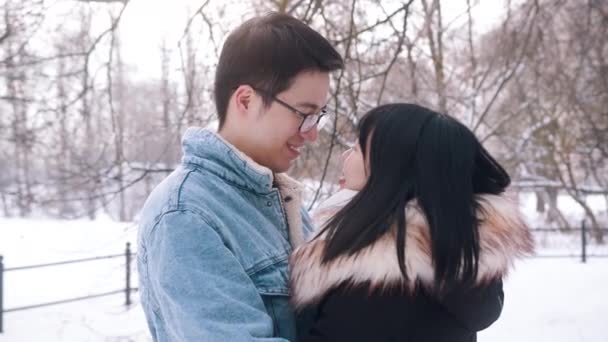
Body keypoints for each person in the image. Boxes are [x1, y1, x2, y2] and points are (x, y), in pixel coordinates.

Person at [136, 12, 343, 341]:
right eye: (305, 115)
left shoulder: (280, 200)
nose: (312, 134)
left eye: (319, 116)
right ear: (246, 100)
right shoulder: (187, 216)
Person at [290, 103, 534, 342]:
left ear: (390, 170)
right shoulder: (450, 262)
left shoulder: (377, 288)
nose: (344, 155)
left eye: (356, 148)